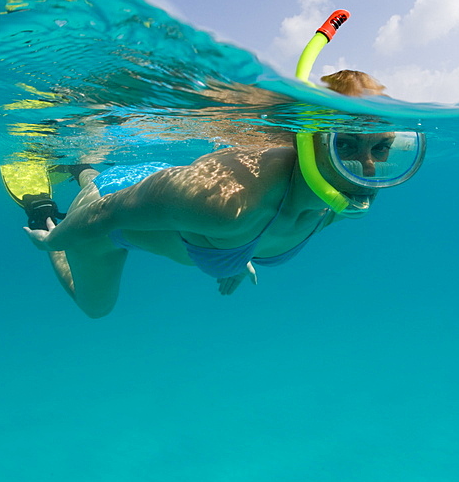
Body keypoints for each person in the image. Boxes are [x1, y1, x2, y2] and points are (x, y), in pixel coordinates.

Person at [21, 68, 425, 318]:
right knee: (96, 309)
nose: (367, 170)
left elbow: (259, 232)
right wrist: (53, 240)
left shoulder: (336, 205)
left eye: (382, 148)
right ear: (310, 142)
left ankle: (81, 167)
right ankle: (45, 214)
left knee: (107, 183)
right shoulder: (227, 206)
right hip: (102, 217)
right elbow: (107, 213)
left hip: (158, 189)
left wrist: (233, 258)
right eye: (346, 146)